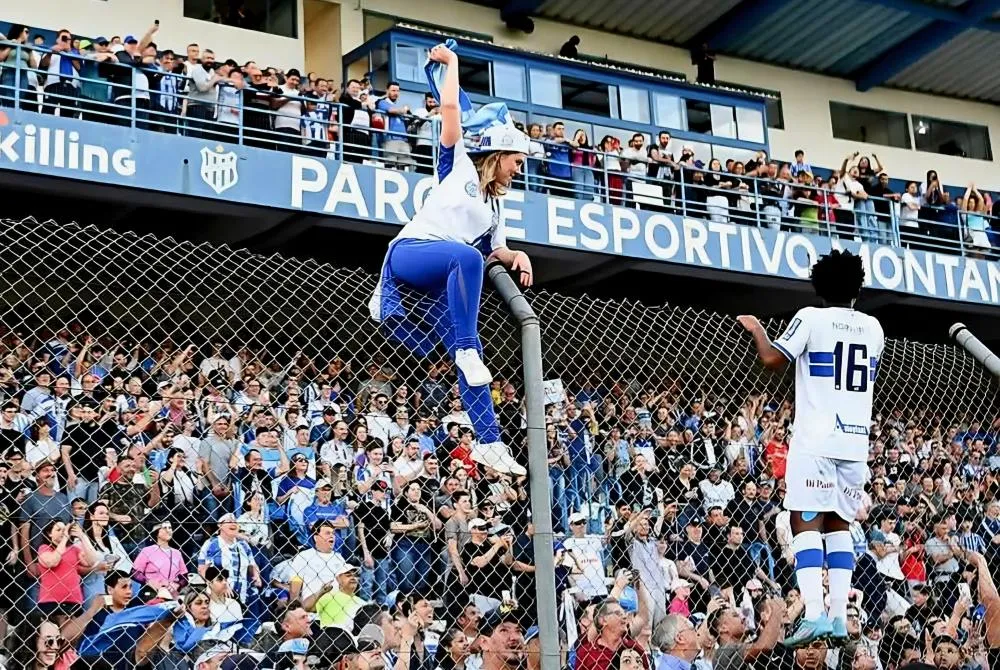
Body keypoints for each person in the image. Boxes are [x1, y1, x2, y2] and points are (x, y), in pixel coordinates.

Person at [368, 42, 532, 477]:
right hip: (412, 255)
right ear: (498, 155)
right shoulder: (457, 165)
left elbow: (497, 249)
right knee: (467, 261)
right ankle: (464, 348)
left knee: (474, 364)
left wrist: (516, 254)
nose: (519, 170)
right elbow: (452, 109)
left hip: (443, 280)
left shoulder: (496, 207)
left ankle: (490, 443)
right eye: (516, 162)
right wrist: (453, 64)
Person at [737, 250, 884, 647]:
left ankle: (814, 614)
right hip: (855, 442)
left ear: (818, 288)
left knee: (804, 522)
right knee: (839, 525)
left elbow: (772, 359)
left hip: (816, 439)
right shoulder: (873, 328)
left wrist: (757, 329)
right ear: (857, 289)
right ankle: (838, 616)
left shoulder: (810, 317)